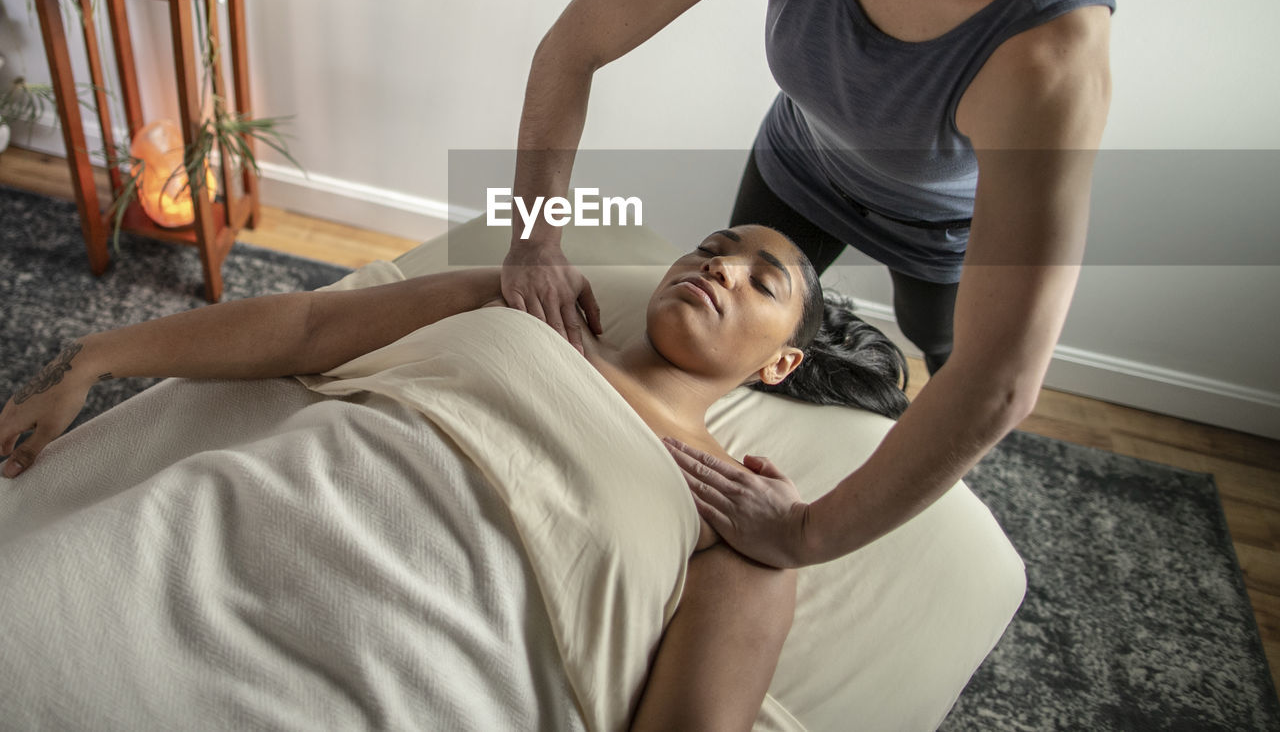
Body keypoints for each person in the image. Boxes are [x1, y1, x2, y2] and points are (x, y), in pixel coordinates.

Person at [500, 0, 1196, 569]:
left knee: (939, 366)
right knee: (736, 354)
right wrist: (533, 242)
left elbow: (1001, 380)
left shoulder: (1048, 55)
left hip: (948, 233)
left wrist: (807, 533)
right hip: (798, 168)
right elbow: (574, 46)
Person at [0, 224, 905, 732]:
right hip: (206, 545)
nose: (722, 268)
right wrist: (90, 356)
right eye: (716, 247)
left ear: (780, 366)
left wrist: (785, 540)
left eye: (762, 281)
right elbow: (311, 328)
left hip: (413, 680)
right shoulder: (523, 309)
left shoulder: (746, 523)